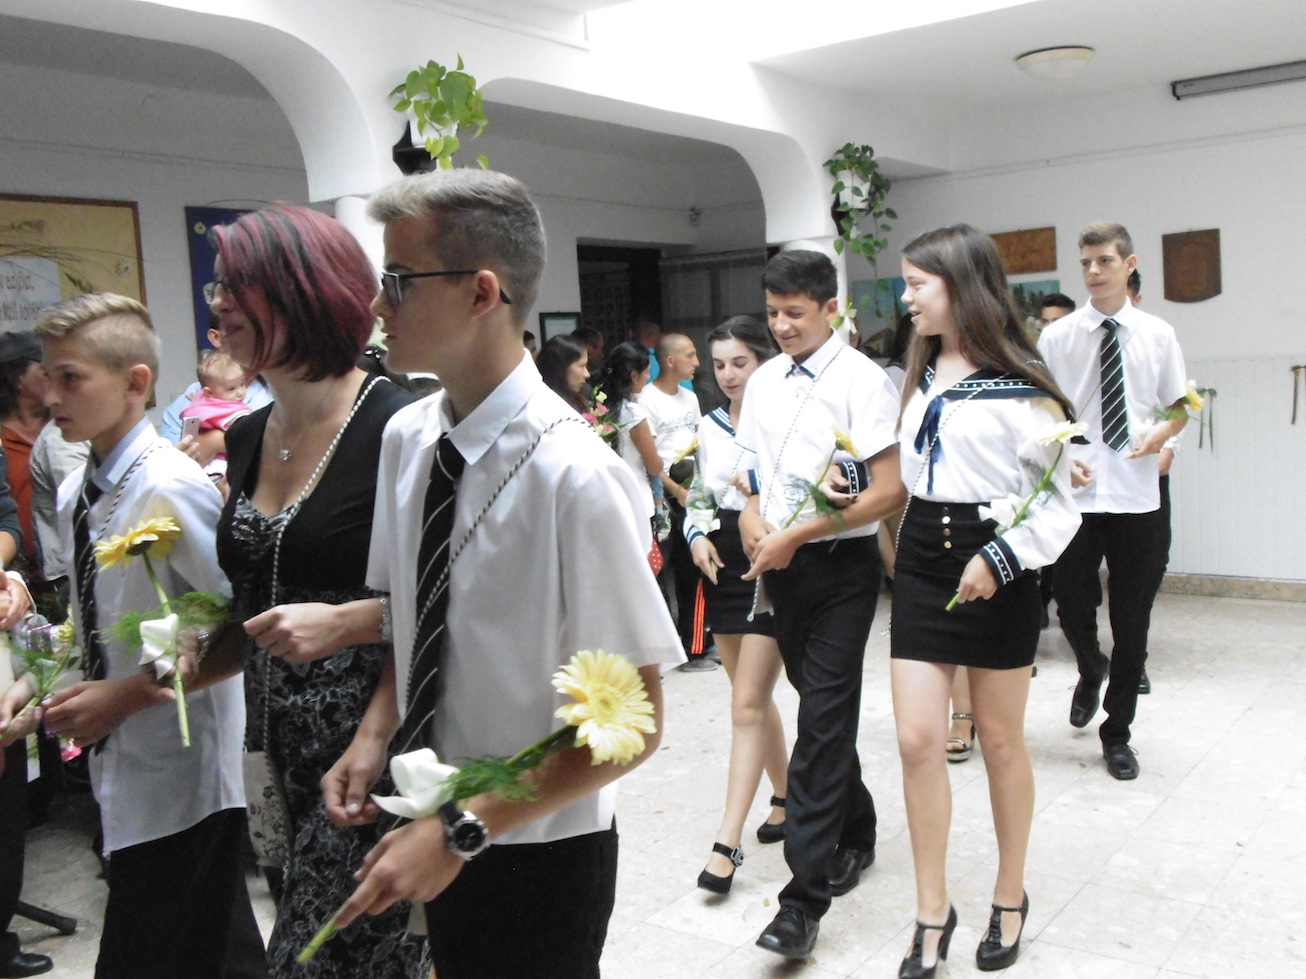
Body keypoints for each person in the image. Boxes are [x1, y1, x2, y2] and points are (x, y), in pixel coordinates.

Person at [328, 169, 681, 978]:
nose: (378, 305)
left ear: (481, 292)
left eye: (398, 281)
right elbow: (415, 619)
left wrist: (463, 827)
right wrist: (375, 733)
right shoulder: (407, 438)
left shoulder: (576, 475)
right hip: (430, 804)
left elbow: (630, 725)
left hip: (537, 842)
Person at [0, 293, 264, 979]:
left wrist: (126, 696)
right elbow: (89, 620)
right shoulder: (79, 490)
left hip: (184, 774)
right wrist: (34, 683)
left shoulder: (169, 487)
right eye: (47, 376)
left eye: (71, 378)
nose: (49, 396)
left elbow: (237, 623)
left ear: (135, 383)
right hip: (124, 769)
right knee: (214, 953)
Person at [206, 204, 426, 978]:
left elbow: (444, 599)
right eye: (216, 287)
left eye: (237, 286)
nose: (219, 304)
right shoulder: (245, 434)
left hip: (369, 755)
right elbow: (250, 598)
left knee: (314, 961)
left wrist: (372, 737)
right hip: (273, 753)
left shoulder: (399, 425)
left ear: (301, 289)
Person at [890, 225, 1081, 977]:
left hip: (996, 558)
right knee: (916, 740)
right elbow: (914, 469)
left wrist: (1000, 559)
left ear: (961, 285)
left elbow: (1058, 503)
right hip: (921, 559)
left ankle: (1009, 893)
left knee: (1000, 741)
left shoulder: (1025, 385)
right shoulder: (919, 371)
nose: (907, 299)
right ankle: (931, 909)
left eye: (917, 285)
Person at [736, 249, 906, 959]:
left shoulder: (862, 380)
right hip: (782, 569)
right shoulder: (765, 380)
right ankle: (857, 828)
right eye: (773, 313)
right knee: (823, 713)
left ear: (831, 308)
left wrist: (799, 534)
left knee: (821, 719)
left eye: (795, 313)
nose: (781, 326)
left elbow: (888, 490)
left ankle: (801, 902)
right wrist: (751, 518)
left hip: (841, 569)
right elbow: (750, 477)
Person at [1038, 222, 1189, 781]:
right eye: (1086, 262)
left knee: (1132, 619)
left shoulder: (1158, 334)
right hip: (1077, 491)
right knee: (1071, 604)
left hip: (1137, 492)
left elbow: (1179, 405)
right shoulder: (1058, 338)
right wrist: (1058, 456)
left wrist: (1165, 437)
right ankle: (1089, 665)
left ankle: (1117, 731)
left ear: (1129, 265)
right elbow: (1041, 412)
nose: (1094, 271)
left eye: (1104, 260)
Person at [688, 315, 788, 894]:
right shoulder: (710, 425)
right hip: (722, 559)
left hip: (770, 555)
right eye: (720, 364)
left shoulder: (784, 420)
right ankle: (786, 794)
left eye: (740, 363)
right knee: (750, 698)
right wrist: (695, 536)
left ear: (765, 361)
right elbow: (699, 495)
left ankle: (726, 845)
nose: (728, 375)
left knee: (747, 703)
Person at [641, 334, 714, 670]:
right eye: (690, 355)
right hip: (664, 500)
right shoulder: (647, 401)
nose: (697, 363)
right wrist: (675, 490)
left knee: (693, 571)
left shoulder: (690, 397)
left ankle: (696, 644)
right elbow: (650, 459)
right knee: (661, 572)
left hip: (693, 493)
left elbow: (700, 445)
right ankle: (665, 651)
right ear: (670, 361)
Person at [158, 321, 273, 444]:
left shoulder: (274, 397)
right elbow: (169, 449)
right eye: (239, 330)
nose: (254, 341)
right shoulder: (190, 398)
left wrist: (215, 442)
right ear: (216, 337)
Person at [600, 342, 664, 523]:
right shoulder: (633, 413)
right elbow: (654, 466)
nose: (649, 377)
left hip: (610, 497)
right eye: (647, 372)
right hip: (637, 498)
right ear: (634, 375)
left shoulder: (601, 407)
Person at [179, 348, 252, 479]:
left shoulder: (201, 399)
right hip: (220, 466)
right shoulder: (228, 411)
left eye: (242, 384)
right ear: (209, 392)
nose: (241, 392)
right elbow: (247, 431)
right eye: (231, 389)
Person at [536, 333, 590, 415]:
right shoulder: (541, 406)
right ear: (561, 367)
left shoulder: (581, 398)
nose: (587, 374)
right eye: (581, 366)